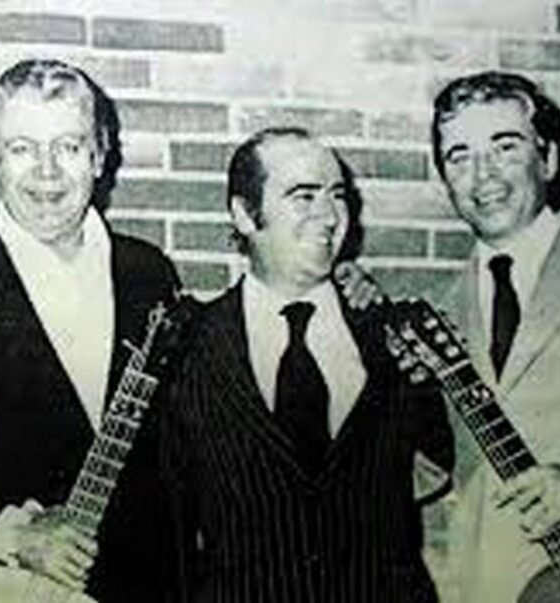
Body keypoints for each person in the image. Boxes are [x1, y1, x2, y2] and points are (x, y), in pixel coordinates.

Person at [138, 127, 454, 602]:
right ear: (245, 214)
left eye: (337, 195)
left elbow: (434, 465)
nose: (329, 216)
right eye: (303, 196)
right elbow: (171, 532)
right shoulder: (184, 348)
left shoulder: (397, 337)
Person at [0, 59, 181, 603]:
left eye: (69, 146)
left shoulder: (149, 273)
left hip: (145, 582)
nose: (47, 172)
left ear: (100, 156)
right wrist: (12, 534)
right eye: (22, 148)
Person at [431, 70, 560, 602]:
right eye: (459, 156)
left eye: (505, 147)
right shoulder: (434, 316)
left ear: (547, 159)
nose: (483, 175)